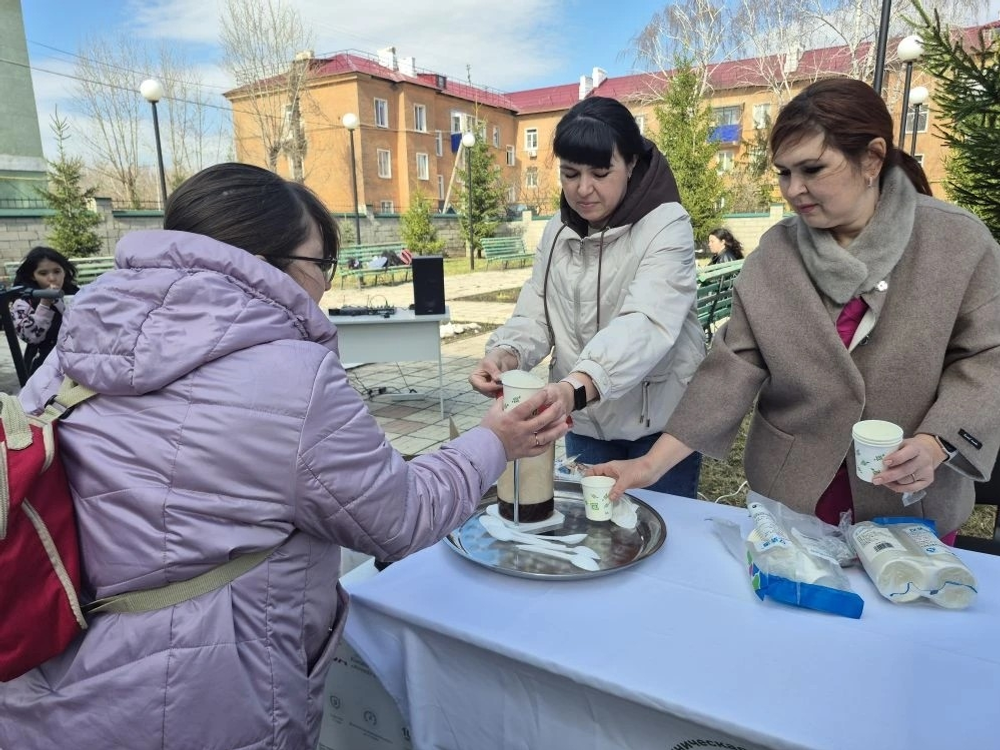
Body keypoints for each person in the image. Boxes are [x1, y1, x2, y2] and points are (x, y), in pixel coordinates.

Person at [0, 163, 569, 750]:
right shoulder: (291, 375)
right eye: (320, 264)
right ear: (266, 262)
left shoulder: (77, 342)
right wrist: (495, 442)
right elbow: (400, 518)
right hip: (201, 695)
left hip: (51, 685)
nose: (324, 284)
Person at [590, 78, 1000, 541]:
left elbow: (987, 358)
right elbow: (731, 370)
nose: (794, 189)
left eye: (812, 169)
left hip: (912, 502)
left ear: (872, 158)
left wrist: (935, 442)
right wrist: (649, 465)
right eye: (784, 172)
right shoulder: (775, 256)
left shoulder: (957, 244)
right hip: (795, 501)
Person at [468, 96, 705, 497]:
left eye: (600, 172)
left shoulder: (667, 225)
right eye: (570, 173)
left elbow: (647, 321)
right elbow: (537, 311)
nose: (583, 189)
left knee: (664, 540)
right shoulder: (557, 231)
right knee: (593, 539)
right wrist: (506, 354)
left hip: (658, 424)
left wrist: (576, 386)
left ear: (630, 163)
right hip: (586, 420)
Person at [10, 246, 79, 375]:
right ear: (33, 276)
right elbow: (31, 337)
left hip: (77, 360)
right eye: (43, 273)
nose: (52, 278)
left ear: (64, 271)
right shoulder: (24, 301)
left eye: (57, 271)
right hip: (44, 365)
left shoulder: (76, 294)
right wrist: (45, 303)